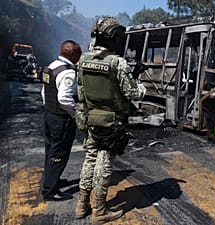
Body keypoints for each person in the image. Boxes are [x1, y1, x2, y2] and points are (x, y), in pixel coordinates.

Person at [74, 16, 146, 224]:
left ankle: (82, 204)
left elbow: (80, 93)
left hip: (90, 119)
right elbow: (134, 93)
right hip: (111, 122)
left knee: (89, 160)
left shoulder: (83, 60)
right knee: (103, 164)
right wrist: (140, 85)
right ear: (114, 38)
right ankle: (99, 210)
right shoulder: (117, 62)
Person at [41, 40, 82, 201]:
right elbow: (65, 99)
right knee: (59, 154)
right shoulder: (68, 72)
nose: (79, 57)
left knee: (50, 150)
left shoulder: (51, 66)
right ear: (71, 54)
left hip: (49, 114)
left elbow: (44, 92)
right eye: (78, 54)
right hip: (61, 119)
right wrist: (75, 113)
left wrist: (49, 108)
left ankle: (51, 180)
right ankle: (50, 191)